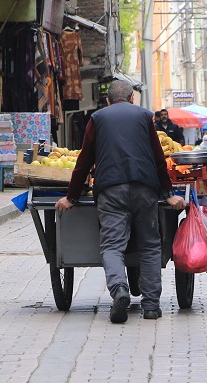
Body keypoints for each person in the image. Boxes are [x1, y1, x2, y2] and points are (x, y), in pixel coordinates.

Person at [55, 80, 187, 324]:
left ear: (107, 101)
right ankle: (150, 307)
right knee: (149, 246)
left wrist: (71, 196)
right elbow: (159, 158)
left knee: (112, 246)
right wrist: (168, 193)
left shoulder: (98, 118)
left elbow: (84, 160)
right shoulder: (145, 116)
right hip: (145, 188)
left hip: (111, 189)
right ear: (131, 98)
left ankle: (119, 290)